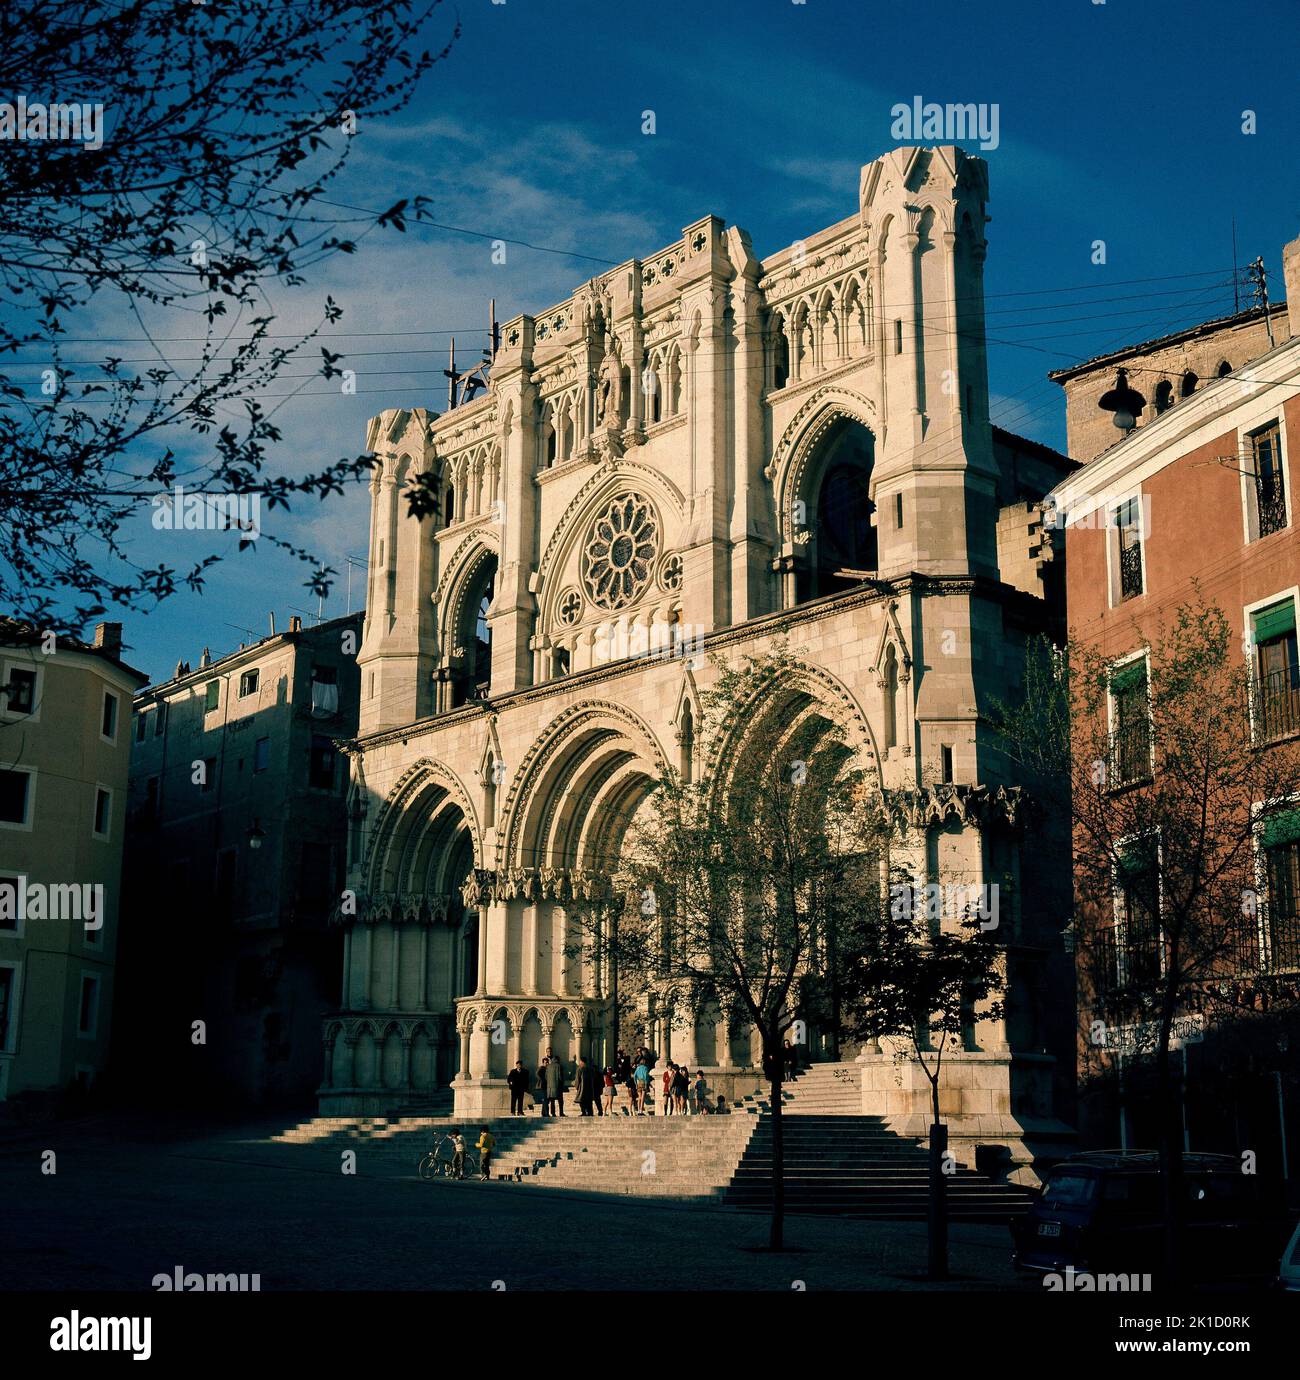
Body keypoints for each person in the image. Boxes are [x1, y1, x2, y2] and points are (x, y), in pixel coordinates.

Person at [544, 1049, 566, 1117]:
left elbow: (546, 1077)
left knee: (552, 1101)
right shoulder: (558, 1066)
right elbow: (560, 1077)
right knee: (560, 1101)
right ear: (557, 1060)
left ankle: (553, 1113)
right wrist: (562, 1084)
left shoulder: (548, 1067)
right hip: (557, 1086)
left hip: (549, 1088)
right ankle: (561, 1113)